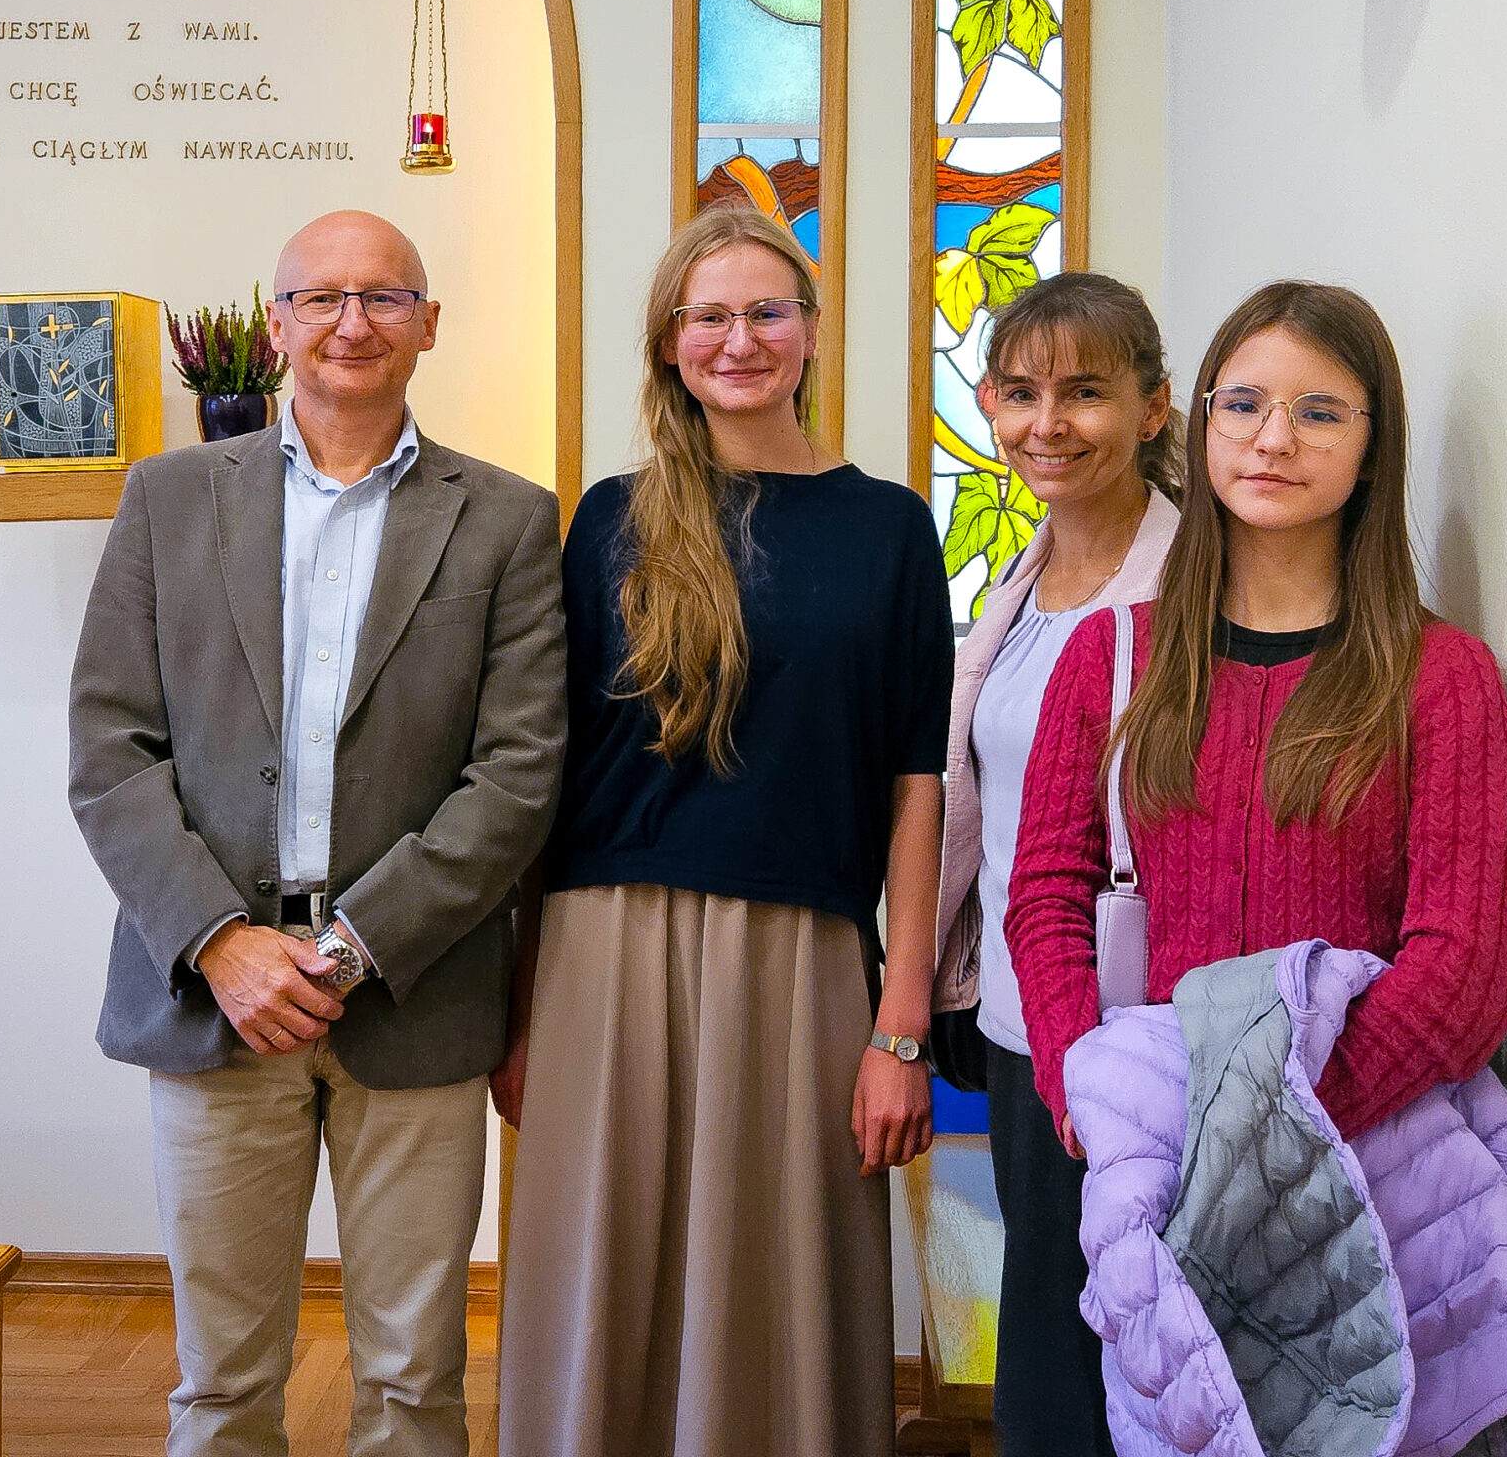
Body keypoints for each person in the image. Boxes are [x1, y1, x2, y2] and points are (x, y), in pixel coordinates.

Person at [67, 209, 567, 1457]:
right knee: (221, 1380)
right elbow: (110, 750)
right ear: (275, 322)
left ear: (428, 323)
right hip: (213, 1000)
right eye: (322, 297)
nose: (353, 322)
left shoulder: (506, 518)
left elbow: (517, 776)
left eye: (385, 296)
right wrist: (221, 942)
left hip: (414, 993)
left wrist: (347, 951)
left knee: (412, 1379)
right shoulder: (170, 499)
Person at [496, 206, 953, 1457]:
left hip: (802, 959)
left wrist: (900, 1025)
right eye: (708, 316)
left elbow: (918, 786)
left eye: (765, 311)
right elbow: (549, 780)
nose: (738, 339)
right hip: (603, 950)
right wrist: (522, 1007)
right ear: (669, 344)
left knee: (779, 1277)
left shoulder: (889, 528)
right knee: (600, 1271)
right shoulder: (610, 519)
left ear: (810, 331)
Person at [1007, 279, 1507, 1166]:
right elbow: (1047, 898)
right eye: (1243, 405)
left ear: (1371, 449)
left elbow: (1459, 979)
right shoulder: (1109, 655)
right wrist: (1092, 1087)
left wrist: (1266, 1125)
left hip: (1357, 1159)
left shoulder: (1442, 678)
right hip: (1145, 1138)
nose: (1273, 440)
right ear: (1203, 424)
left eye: (1319, 414)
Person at [931, 272, 1180, 1457]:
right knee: (1046, 1342)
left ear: (1152, 407)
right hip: (1025, 1020)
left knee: (1145, 1350)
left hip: (1143, 1028)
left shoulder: (1195, 584)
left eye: (1083, 391)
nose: (1047, 423)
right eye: (1021, 392)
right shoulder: (1019, 585)